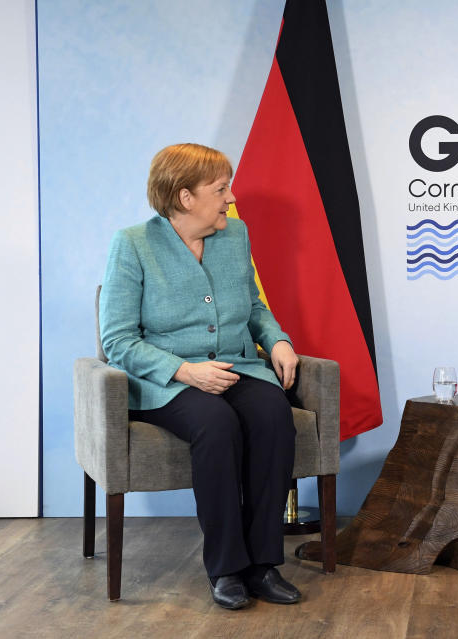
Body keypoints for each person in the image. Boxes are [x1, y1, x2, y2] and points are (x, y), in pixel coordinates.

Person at [99, 143, 303, 610]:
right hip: (168, 379)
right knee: (216, 424)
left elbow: (253, 306)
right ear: (185, 197)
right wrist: (185, 370)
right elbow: (118, 340)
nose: (230, 198)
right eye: (220, 189)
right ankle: (227, 568)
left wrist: (277, 340)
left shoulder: (236, 235)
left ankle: (262, 565)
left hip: (237, 365)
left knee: (273, 413)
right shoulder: (132, 244)